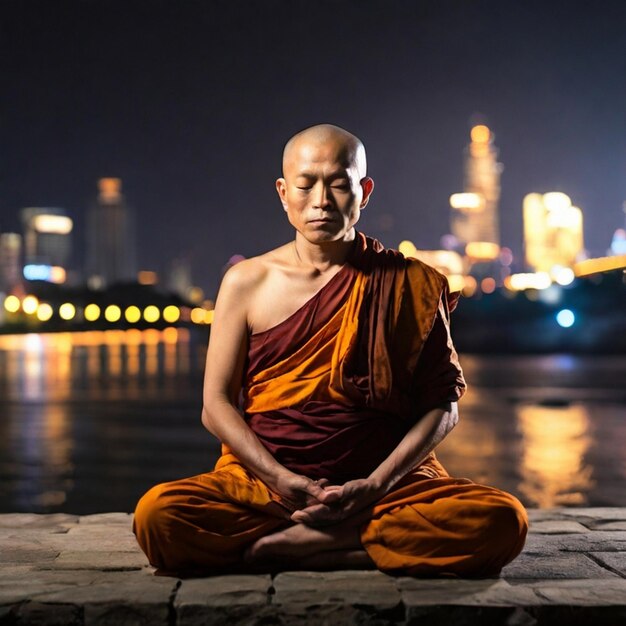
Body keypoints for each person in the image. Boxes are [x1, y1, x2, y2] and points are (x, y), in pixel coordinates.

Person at [133, 124, 528, 577]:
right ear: (283, 192)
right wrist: (281, 479)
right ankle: (355, 545)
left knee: (502, 521)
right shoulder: (247, 282)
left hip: (385, 489)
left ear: (365, 191)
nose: (321, 199)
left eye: (339, 184)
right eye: (305, 185)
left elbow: (444, 408)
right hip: (269, 487)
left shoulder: (411, 282)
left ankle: (319, 543)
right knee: (159, 518)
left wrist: (376, 483)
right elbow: (215, 405)